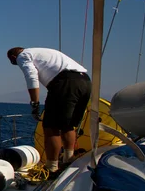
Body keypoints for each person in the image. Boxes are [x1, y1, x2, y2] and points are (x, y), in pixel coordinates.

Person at [7, 47, 92, 175]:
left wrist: (35, 103)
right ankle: (68, 160)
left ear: (13, 57)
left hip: (66, 83)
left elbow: (31, 76)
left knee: (51, 127)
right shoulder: (41, 52)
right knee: (68, 125)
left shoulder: (23, 56)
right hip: (85, 82)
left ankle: (51, 168)